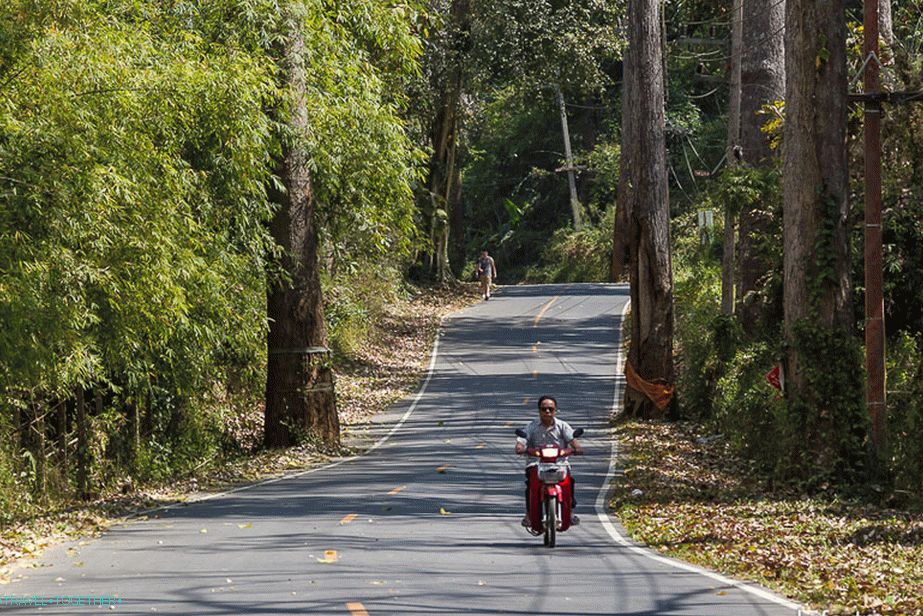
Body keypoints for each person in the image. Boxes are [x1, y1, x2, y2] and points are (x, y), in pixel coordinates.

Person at [515, 395, 583, 527]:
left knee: (570, 481)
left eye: (550, 409)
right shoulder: (531, 426)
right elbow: (521, 442)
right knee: (530, 484)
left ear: (555, 410)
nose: (547, 412)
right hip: (536, 463)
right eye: (544, 409)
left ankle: (570, 512)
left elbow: (574, 442)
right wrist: (521, 447)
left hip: (559, 464)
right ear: (539, 411)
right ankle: (529, 514)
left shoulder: (563, 426)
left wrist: (577, 448)